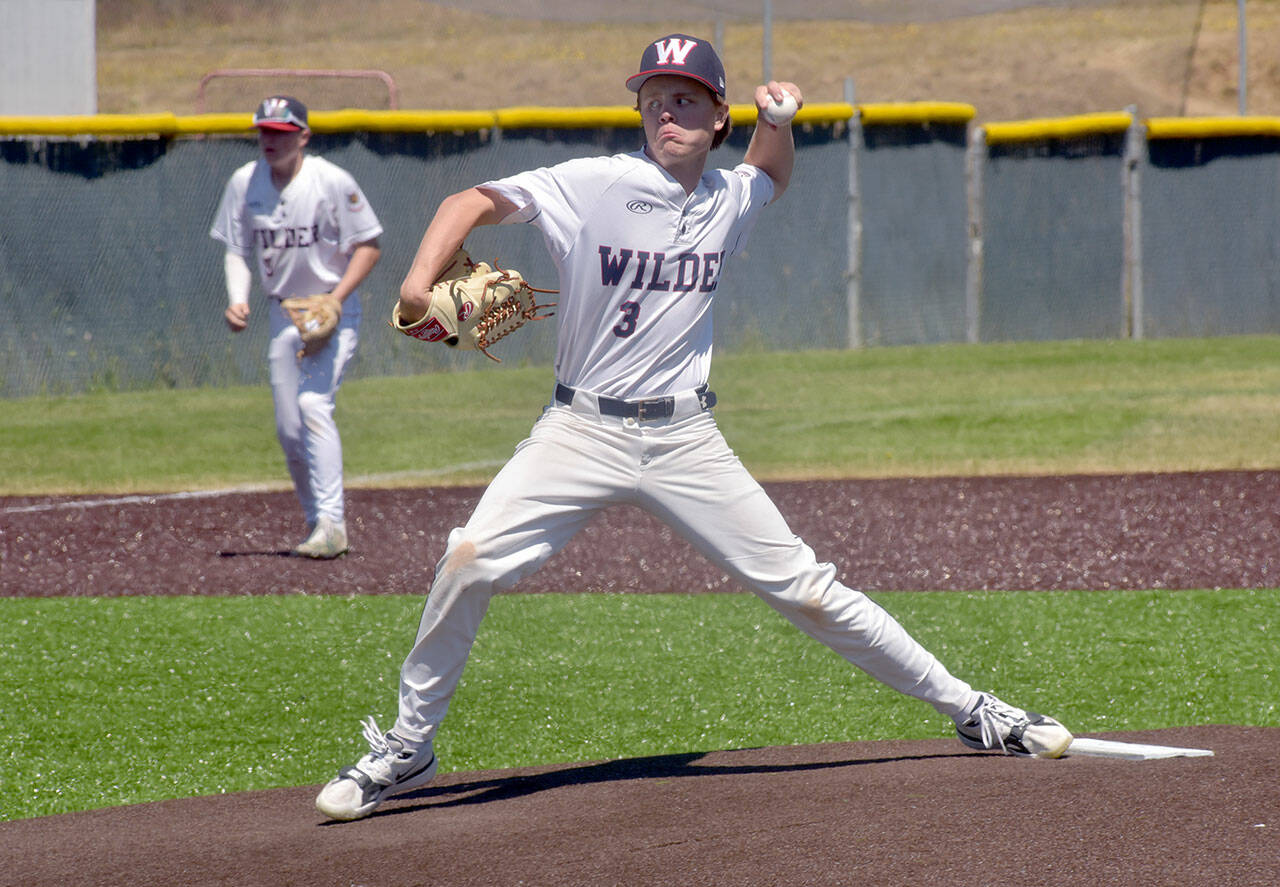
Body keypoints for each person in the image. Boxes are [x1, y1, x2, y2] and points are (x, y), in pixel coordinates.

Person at [315, 35, 1073, 821]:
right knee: (468, 556)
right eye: (653, 100)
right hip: (580, 429)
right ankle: (409, 747)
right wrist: (414, 280)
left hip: (684, 439)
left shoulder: (725, 197)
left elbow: (767, 175)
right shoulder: (596, 183)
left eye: (685, 99)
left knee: (807, 588)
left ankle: (973, 708)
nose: (665, 113)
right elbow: (466, 202)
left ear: (718, 117)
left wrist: (776, 121)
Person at [210, 95, 383, 559]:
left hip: (332, 310)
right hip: (280, 312)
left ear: (303, 136)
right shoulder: (244, 183)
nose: (270, 139)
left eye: (281, 132)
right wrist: (238, 299)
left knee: (312, 404)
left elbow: (368, 245)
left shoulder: (330, 181)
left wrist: (336, 298)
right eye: (264, 131)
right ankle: (315, 523)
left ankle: (333, 522)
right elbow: (236, 250)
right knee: (289, 429)